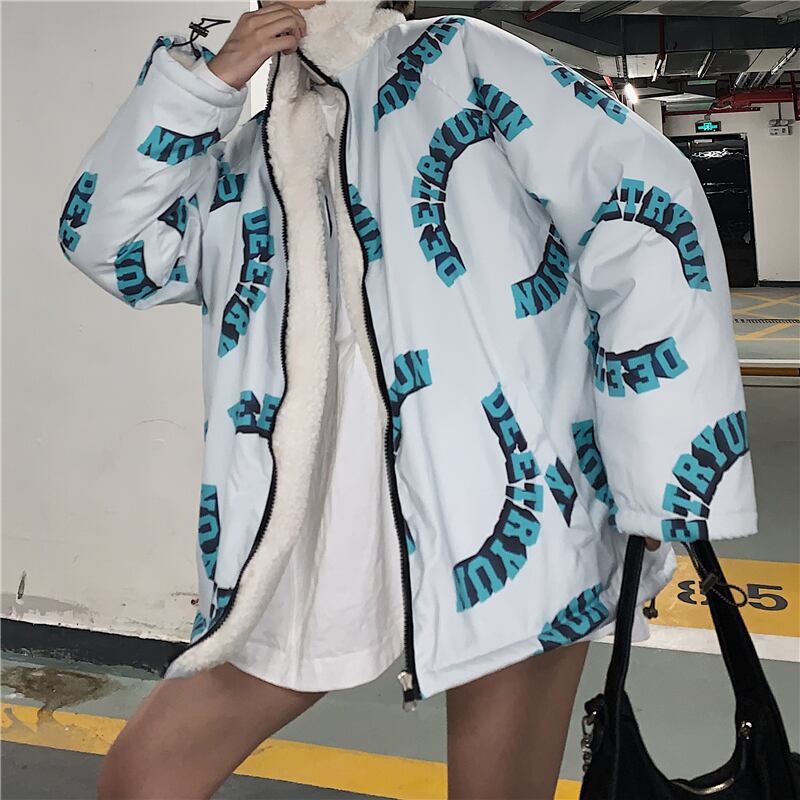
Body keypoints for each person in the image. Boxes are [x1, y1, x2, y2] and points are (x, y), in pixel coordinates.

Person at [56, 0, 757, 797]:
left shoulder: (459, 60)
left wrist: (657, 471)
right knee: (144, 774)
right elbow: (109, 245)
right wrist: (203, 87)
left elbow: (643, 207)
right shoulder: (248, 157)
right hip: (306, 529)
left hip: (515, 510)